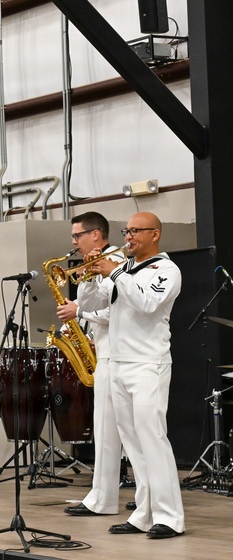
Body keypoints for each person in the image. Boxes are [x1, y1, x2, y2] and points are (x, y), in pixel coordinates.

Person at [82, 211, 184, 538]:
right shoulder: (123, 268)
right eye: (127, 231)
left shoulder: (166, 270)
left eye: (136, 231)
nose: (129, 237)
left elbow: (147, 303)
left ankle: (170, 516)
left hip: (148, 364)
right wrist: (89, 273)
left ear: (155, 234)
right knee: (133, 444)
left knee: (152, 438)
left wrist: (113, 272)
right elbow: (93, 302)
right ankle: (144, 512)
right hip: (120, 363)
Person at [57, 212, 129, 517]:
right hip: (106, 355)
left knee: (122, 432)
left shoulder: (118, 262)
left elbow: (118, 311)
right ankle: (102, 497)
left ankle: (115, 497)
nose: (74, 242)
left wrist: (80, 315)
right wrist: (84, 289)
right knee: (104, 431)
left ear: (96, 234)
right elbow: (88, 302)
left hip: (120, 354)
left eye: (78, 236)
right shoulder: (94, 264)